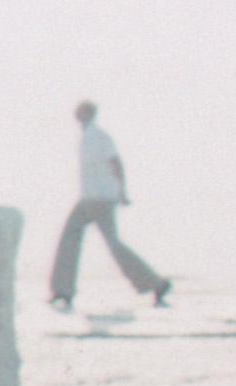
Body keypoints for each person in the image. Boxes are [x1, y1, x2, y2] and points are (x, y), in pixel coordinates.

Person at [53, 99, 173, 312]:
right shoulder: (86, 137)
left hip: (102, 198)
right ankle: (63, 290)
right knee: (70, 236)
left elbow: (115, 162)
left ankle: (155, 283)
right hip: (88, 198)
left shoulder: (100, 137)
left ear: (88, 114)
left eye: (82, 112)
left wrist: (122, 191)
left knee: (113, 244)